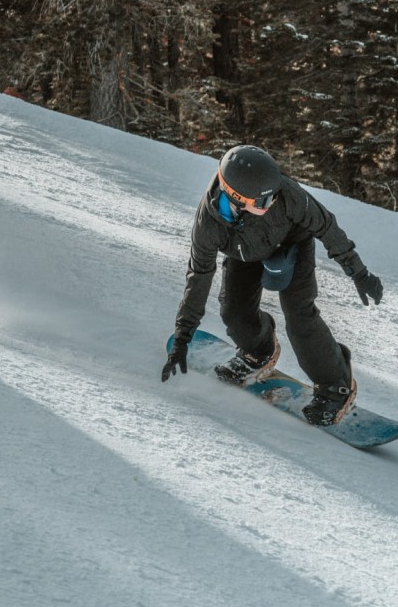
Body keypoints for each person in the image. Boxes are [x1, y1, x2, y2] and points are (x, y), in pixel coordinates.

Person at [161, 145, 384, 426]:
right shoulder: (209, 225)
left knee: (299, 314)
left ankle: (336, 385)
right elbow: (199, 274)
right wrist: (183, 335)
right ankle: (260, 350)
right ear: (237, 199)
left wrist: (358, 272)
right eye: (263, 202)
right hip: (243, 251)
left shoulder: (287, 195)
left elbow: (326, 226)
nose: (272, 202)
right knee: (233, 311)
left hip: (291, 243)